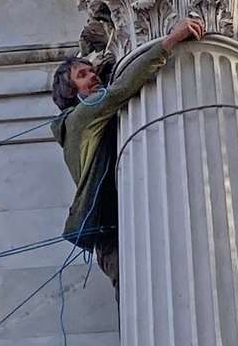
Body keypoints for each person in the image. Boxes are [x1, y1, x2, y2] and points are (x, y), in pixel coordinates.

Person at [50, 17, 207, 285]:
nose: (93, 75)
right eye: (82, 75)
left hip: (124, 230)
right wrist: (169, 40)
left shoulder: (86, 118)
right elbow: (120, 91)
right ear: (70, 92)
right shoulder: (81, 117)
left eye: (92, 70)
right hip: (118, 237)